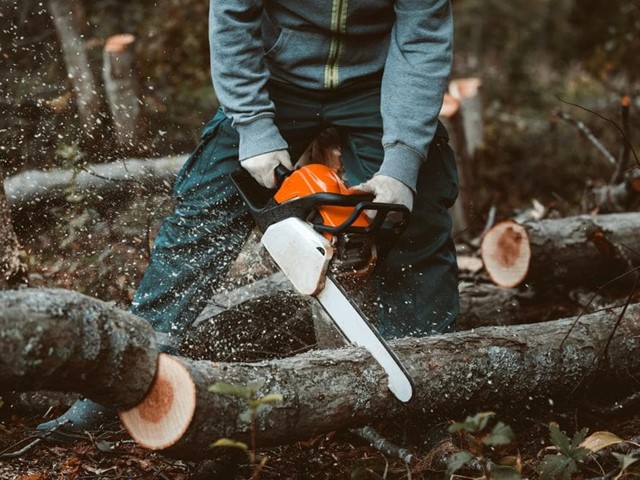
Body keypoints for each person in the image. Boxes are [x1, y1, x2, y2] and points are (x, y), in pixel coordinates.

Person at [38, 0, 459, 436]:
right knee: (203, 212)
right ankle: (127, 370)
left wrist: (402, 163)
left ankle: (423, 387)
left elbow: (421, 36)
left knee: (414, 221)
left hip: (381, 80)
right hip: (276, 78)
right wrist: (255, 126)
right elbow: (233, 15)